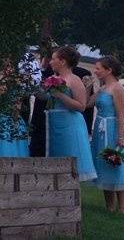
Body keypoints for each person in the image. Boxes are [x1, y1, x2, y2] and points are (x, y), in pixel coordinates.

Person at [46, 46, 97, 181]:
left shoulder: (74, 80)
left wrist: (60, 95)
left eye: (53, 59)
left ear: (62, 62)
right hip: (53, 123)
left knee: (70, 158)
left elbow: (81, 106)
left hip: (70, 124)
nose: (50, 62)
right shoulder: (52, 78)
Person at [88, 56, 124, 214]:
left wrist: (120, 137)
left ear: (109, 70)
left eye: (98, 68)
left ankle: (123, 209)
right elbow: (87, 104)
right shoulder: (102, 89)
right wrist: (88, 87)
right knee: (104, 164)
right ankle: (110, 207)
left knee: (117, 163)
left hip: (112, 128)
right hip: (100, 128)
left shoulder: (117, 88)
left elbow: (121, 115)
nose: (95, 71)